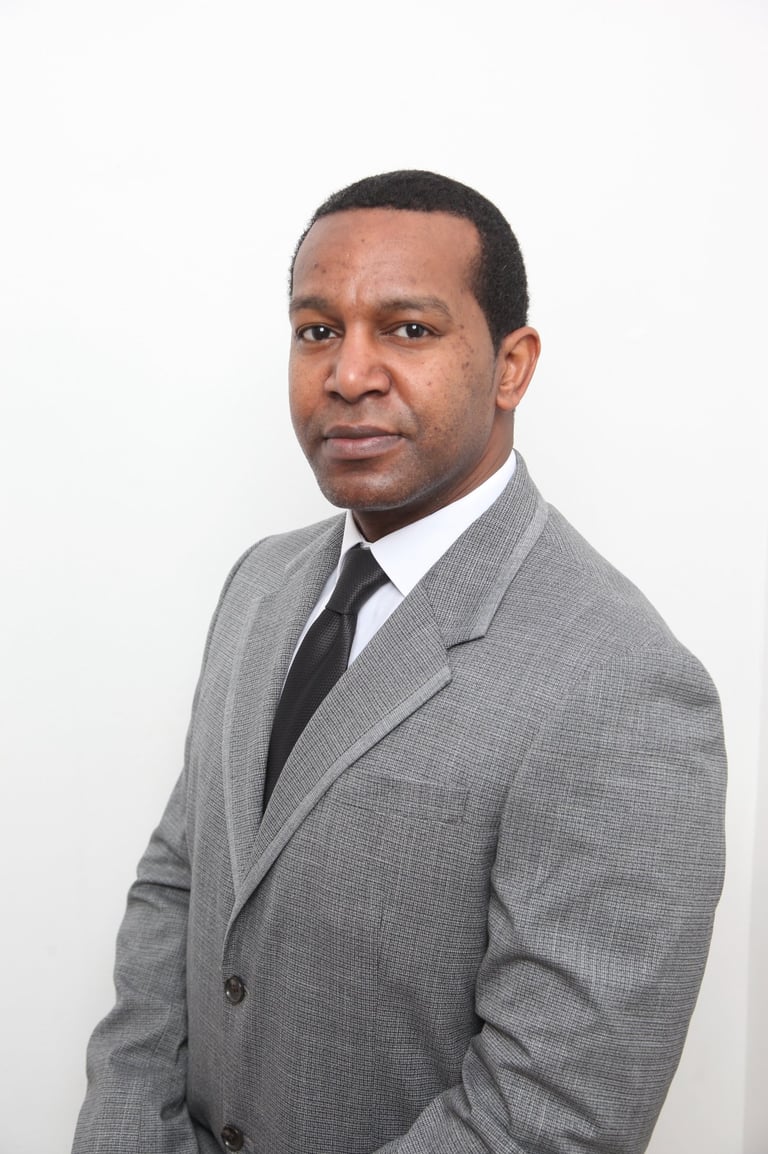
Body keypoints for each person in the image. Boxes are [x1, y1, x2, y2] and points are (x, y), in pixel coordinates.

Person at [73, 170, 727, 1154]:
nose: (348, 374)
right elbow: (180, 885)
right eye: (317, 330)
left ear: (511, 367)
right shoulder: (260, 583)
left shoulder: (624, 683)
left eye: (409, 329)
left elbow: (549, 1118)